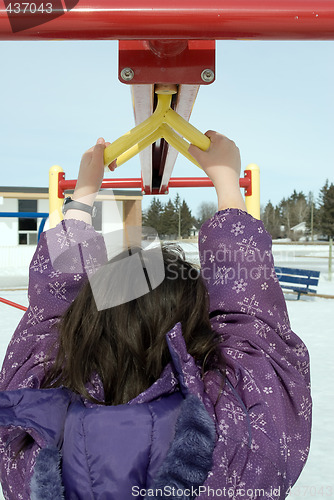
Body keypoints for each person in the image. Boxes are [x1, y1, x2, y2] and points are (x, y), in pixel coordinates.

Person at [0, 132, 311, 499]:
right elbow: (256, 327)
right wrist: (228, 184)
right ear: (196, 335)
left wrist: (81, 197)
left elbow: (48, 319)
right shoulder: (239, 446)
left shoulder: (29, 446)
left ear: (81, 327)